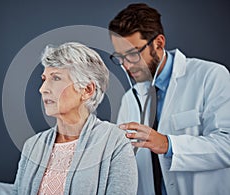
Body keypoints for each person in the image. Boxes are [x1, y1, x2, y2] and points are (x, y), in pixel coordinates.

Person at [108, 3, 230, 195]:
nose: (125, 65)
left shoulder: (211, 76)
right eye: (119, 57)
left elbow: (227, 146)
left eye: (132, 54)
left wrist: (167, 144)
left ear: (159, 43)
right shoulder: (130, 99)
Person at [12, 42, 138, 194]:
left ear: (87, 90)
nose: (43, 89)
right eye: (44, 79)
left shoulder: (115, 142)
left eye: (56, 78)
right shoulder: (32, 146)